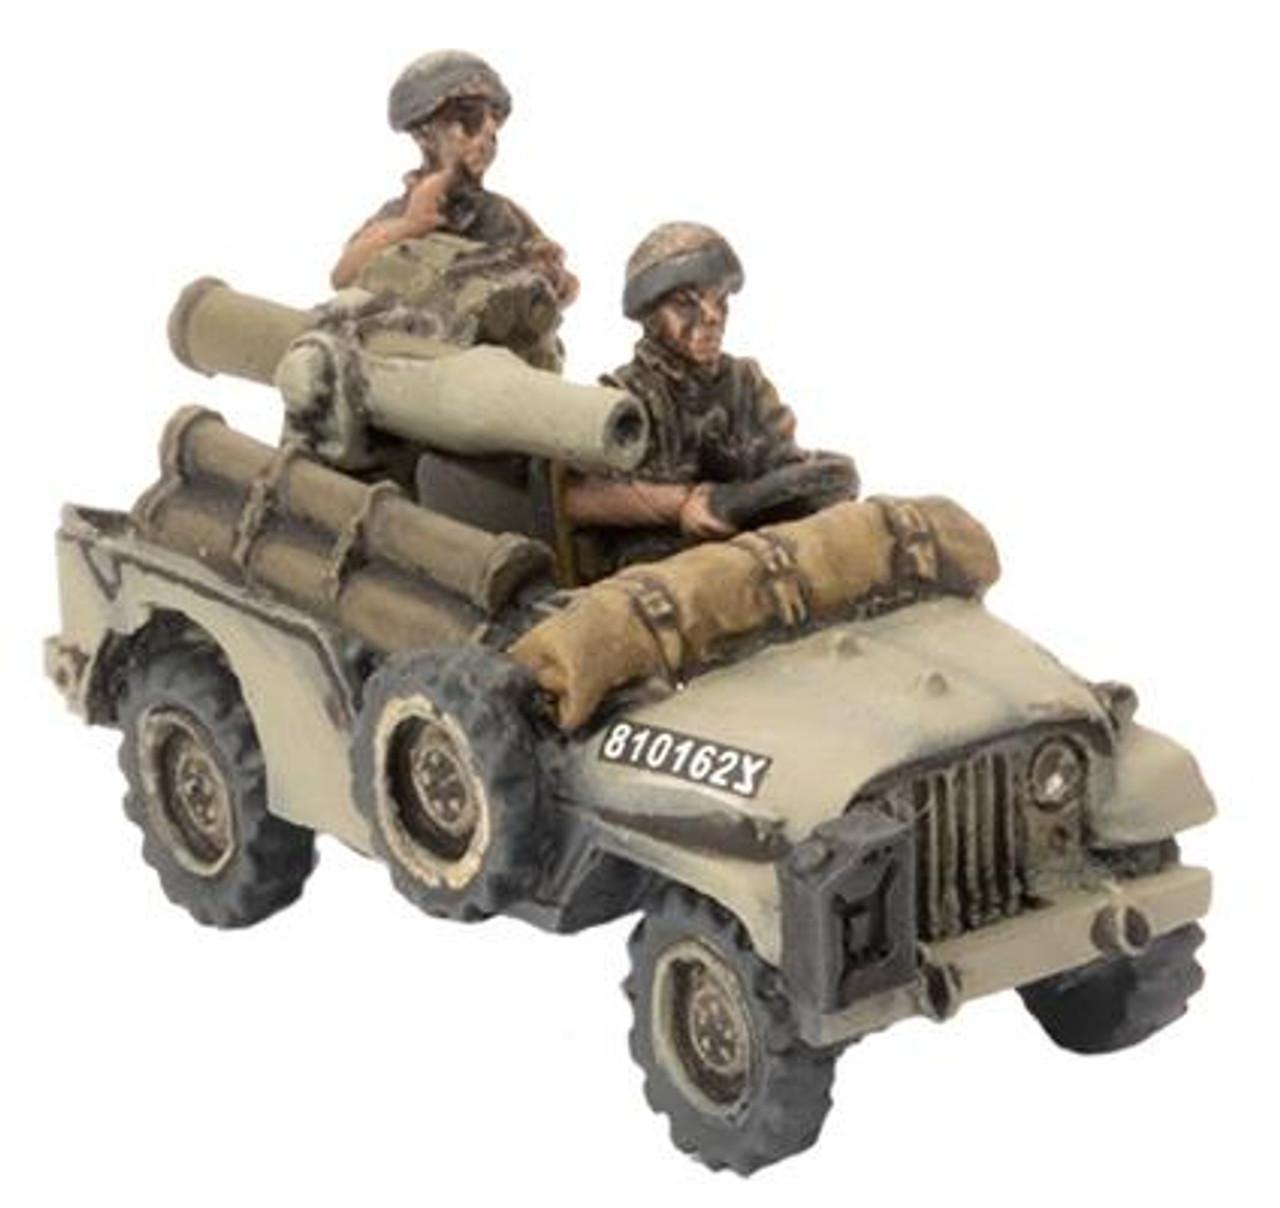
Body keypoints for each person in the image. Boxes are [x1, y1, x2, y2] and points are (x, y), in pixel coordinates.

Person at [564, 222, 805, 548]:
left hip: (746, 534)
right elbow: (575, 498)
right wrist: (682, 504)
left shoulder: (745, 383)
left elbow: (785, 464)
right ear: (650, 315)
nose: (712, 316)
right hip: (656, 554)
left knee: (837, 476)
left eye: (721, 301)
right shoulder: (623, 394)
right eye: (685, 303)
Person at [329, 50, 578, 308]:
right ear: (424, 133)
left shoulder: (505, 215)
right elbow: (342, 276)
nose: (489, 129)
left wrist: (553, 276)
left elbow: (563, 284)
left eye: (494, 116)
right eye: (468, 114)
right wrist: (410, 225)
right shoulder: (401, 213)